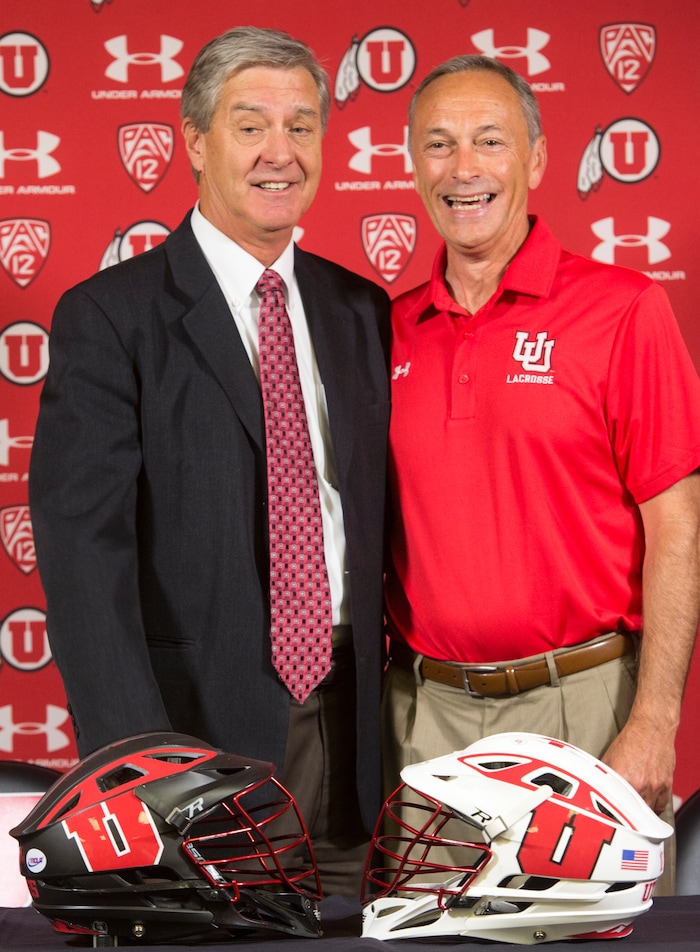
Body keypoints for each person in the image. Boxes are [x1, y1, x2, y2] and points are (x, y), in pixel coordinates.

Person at [29, 27, 391, 897]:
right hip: (198, 745)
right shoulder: (111, 317)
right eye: (250, 126)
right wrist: (138, 766)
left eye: (301, 127)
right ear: (194, 141)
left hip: (359, 741)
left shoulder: (361, 310)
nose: (280, 153)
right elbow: (84, 563)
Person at [382, 54, 700, 893]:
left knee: (597, 940)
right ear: (413, 165)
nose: (463, 168)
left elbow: (678, 527)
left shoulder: (624, 310)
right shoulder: (385, 331)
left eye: (490, 141)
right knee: (425, 943)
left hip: (584, 706)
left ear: (537, 157)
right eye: (439, 145)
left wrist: (653, 721)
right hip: (424, 716)